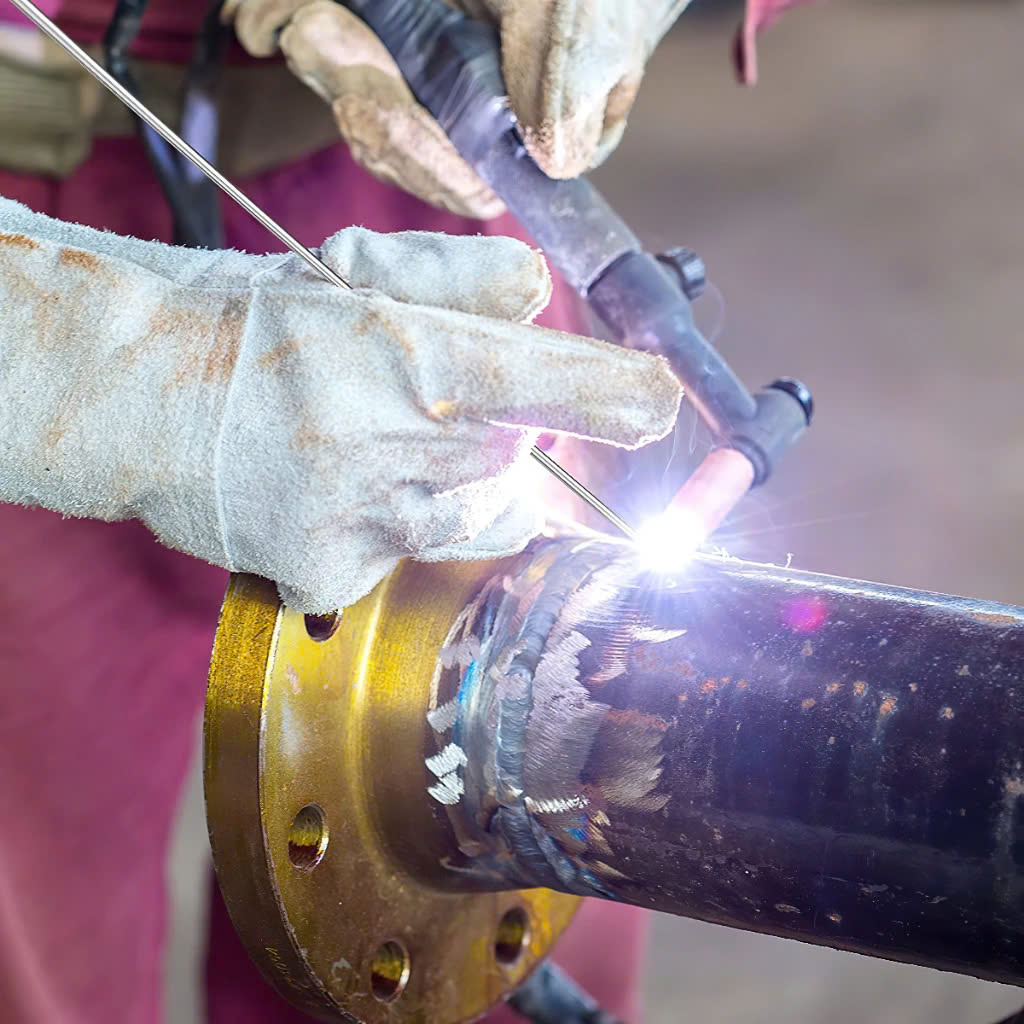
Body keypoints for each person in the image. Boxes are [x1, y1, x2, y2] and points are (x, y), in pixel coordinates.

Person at [0, 0, 811, 1020]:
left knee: (516, 797)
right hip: (32, 243)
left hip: (420, 203)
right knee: (29, 942)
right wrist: (87, 359)